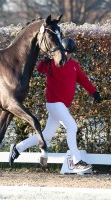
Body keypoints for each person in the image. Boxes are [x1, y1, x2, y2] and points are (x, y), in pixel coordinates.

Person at [9, 38, 101, 172]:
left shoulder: (74, 65)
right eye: (66, 52)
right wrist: (44, 61)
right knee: (72, 127)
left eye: (70, 52)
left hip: (62, 106)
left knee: (46, 135)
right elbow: (40, 69)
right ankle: (76, 161)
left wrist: (94, 93)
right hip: (54, 104)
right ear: (61, 51)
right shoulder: (52, 63)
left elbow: (83, 80)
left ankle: (18, 148)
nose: (68, 55)